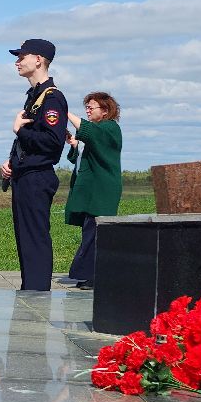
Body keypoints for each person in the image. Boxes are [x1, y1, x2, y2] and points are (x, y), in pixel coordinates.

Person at [0, 39, 69, 292]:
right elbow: (29, 141)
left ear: (38, 60)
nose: (17, 61)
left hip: (37, 177)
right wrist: (13, 162)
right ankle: (30, 289)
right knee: (26, 240)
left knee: (35, 239)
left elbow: (52, 142)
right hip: (25, 175)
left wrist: (19, 130)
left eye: (22, 56)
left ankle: (37, 293)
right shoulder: (35, 96)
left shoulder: (52, 98)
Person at [62, 91, 123, 289]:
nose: (87, 111)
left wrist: (64, 112)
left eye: (91, 107)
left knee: (95, 233)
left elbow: (89, 132)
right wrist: (73, 144)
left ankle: (93, 276)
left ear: (105, 111)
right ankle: (88, 275)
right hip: (91, 192)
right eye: (86, 107)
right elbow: (81, 158)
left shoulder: (109, 128)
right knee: (90, 231)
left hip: (101, 192)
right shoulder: (99, 131)